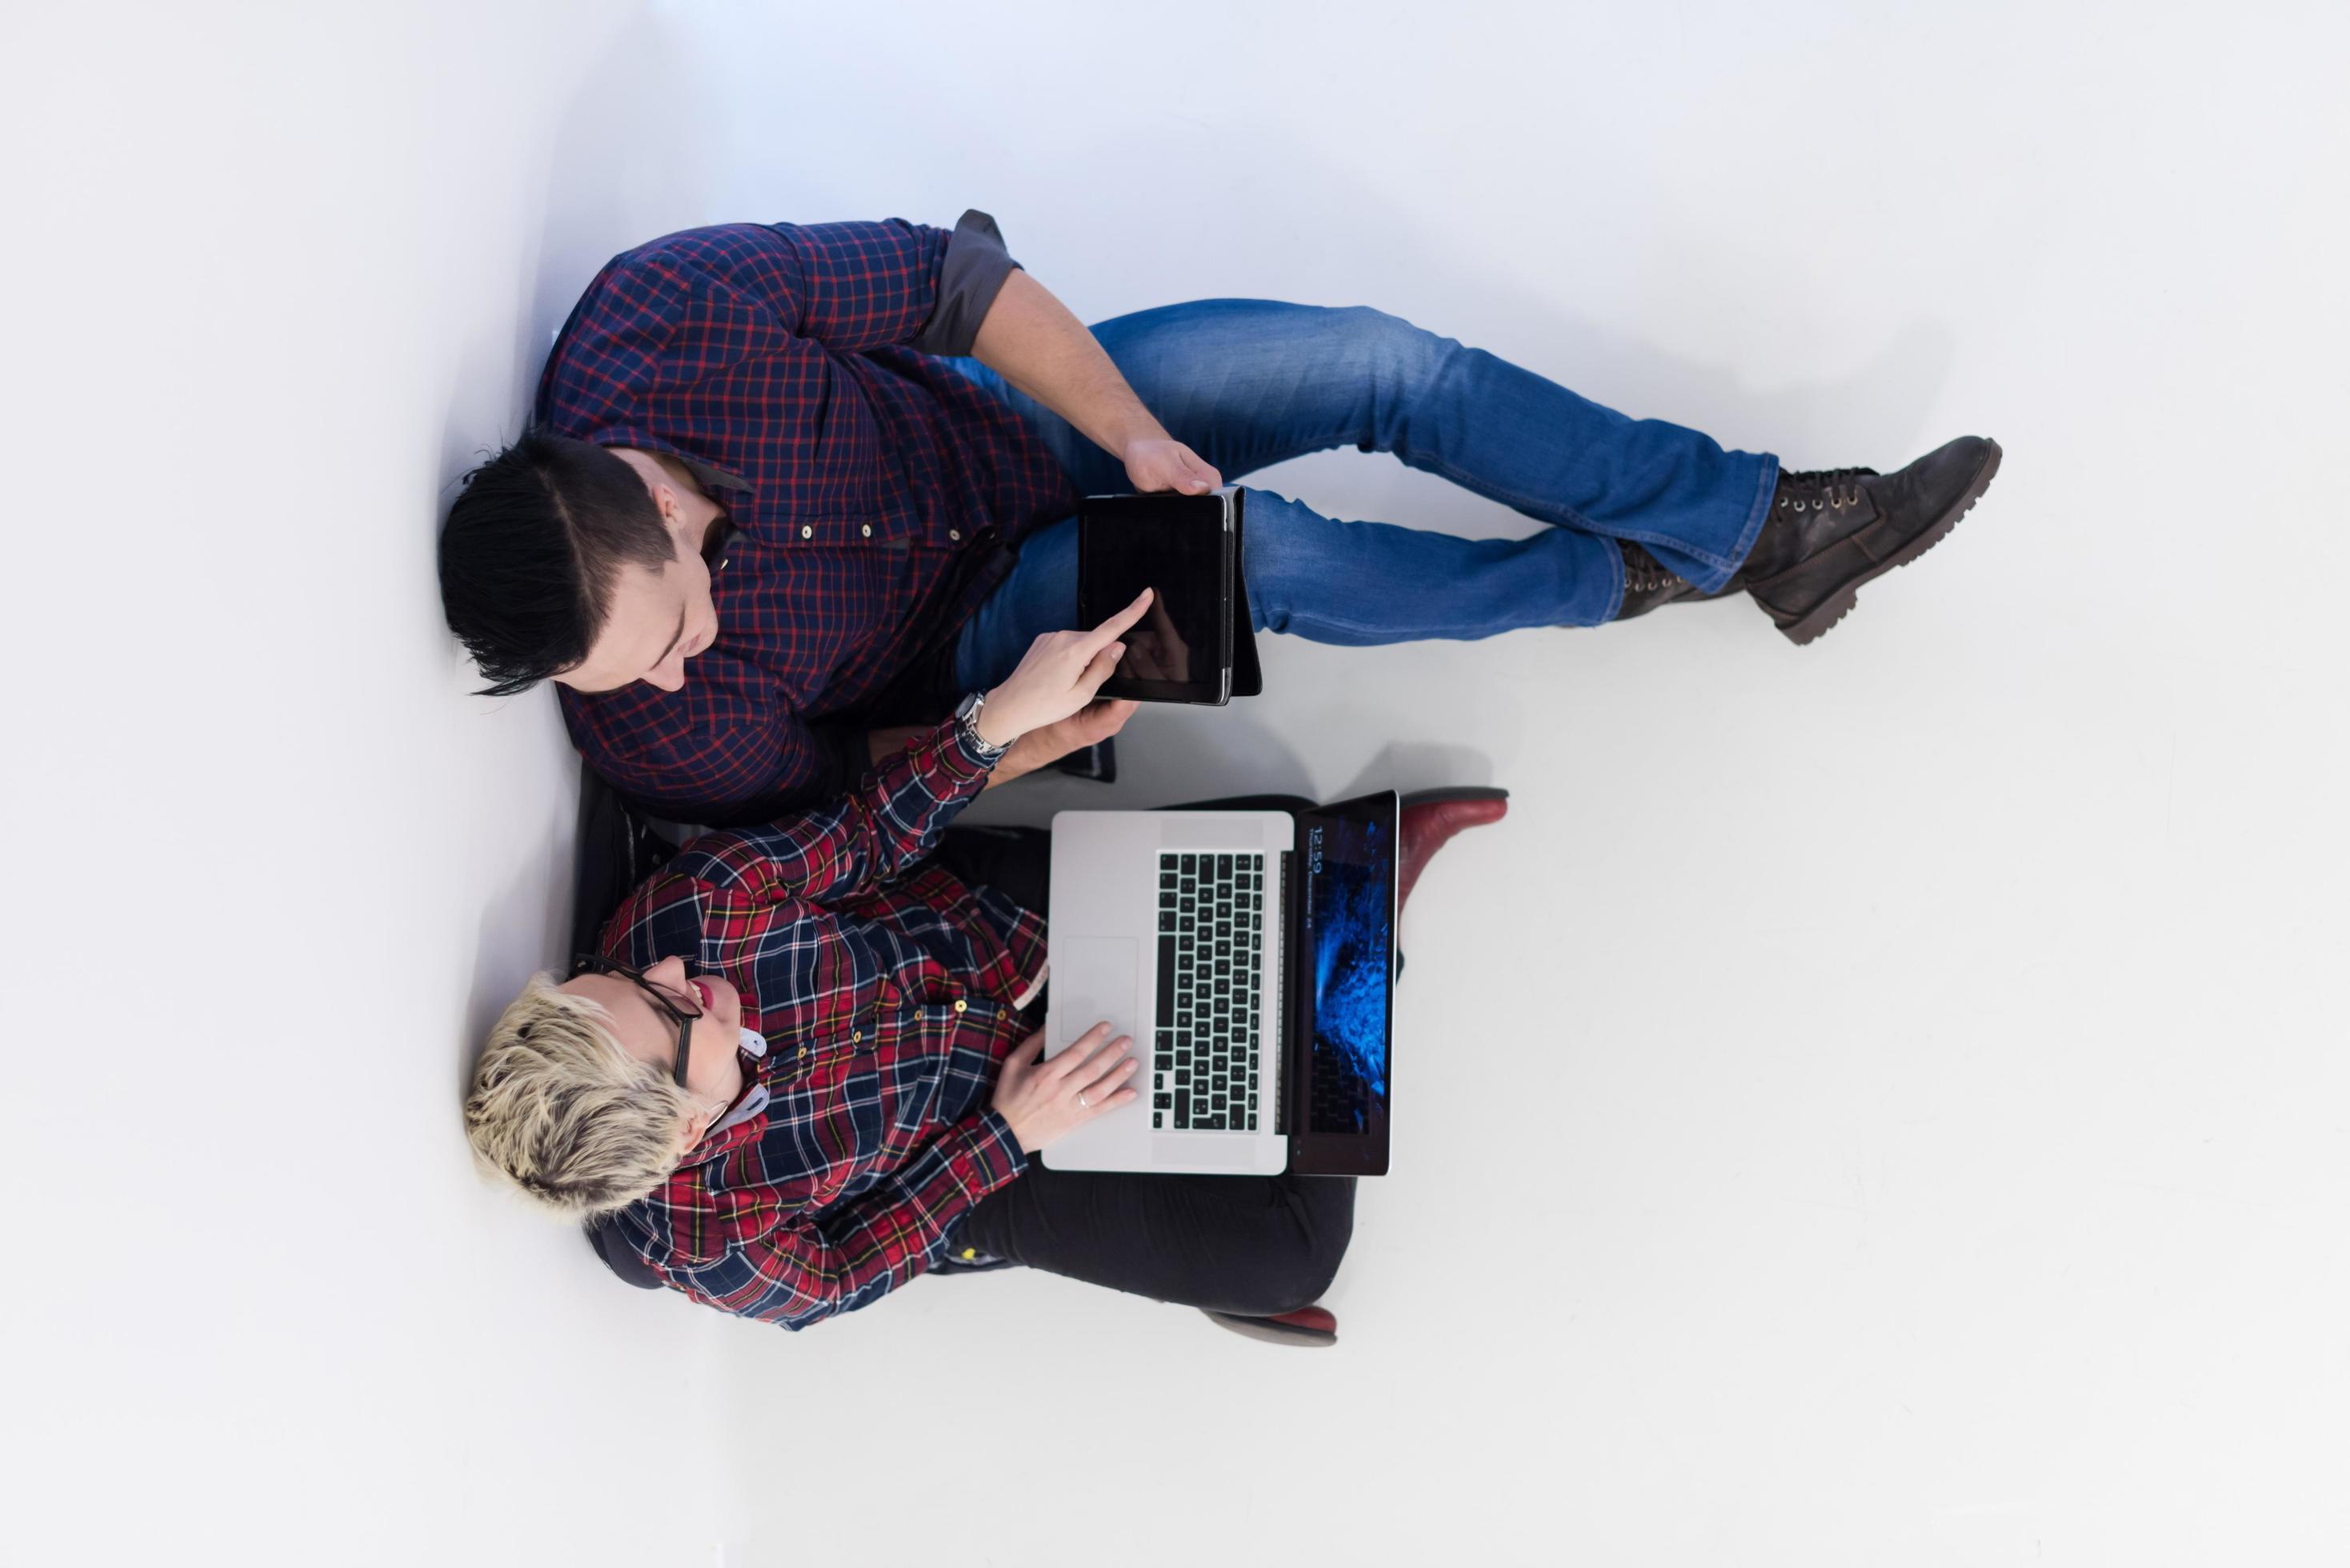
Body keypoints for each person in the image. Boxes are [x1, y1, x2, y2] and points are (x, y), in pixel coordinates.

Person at [437, 210, 2001, 824]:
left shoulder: (667, 314)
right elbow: (846, 794)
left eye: (659, 634)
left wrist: (1127, 430)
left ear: (637, 481)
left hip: (1022, 421)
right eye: (623, 677)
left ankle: (1759, 527)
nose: (661, 676)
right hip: (984, 632)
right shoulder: (650, 725)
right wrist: (1002, 735)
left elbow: (956, 288)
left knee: (1373, 362)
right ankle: (1623, 582)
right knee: (1277, 559)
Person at [462, 598, 1505, 1346]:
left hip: (966, 938)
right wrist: (1009, 1134)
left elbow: (864, 835)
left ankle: (1352, 919)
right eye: (676, 1014)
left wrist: (992, 722)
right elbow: (843, 1273)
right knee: (1288, 1259)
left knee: (1277, 851)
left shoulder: (683, 917)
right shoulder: (719, 1243)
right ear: (688, 1129)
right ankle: (1363, 946)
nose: (674, 970)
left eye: (631, 976)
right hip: (968, 1143)